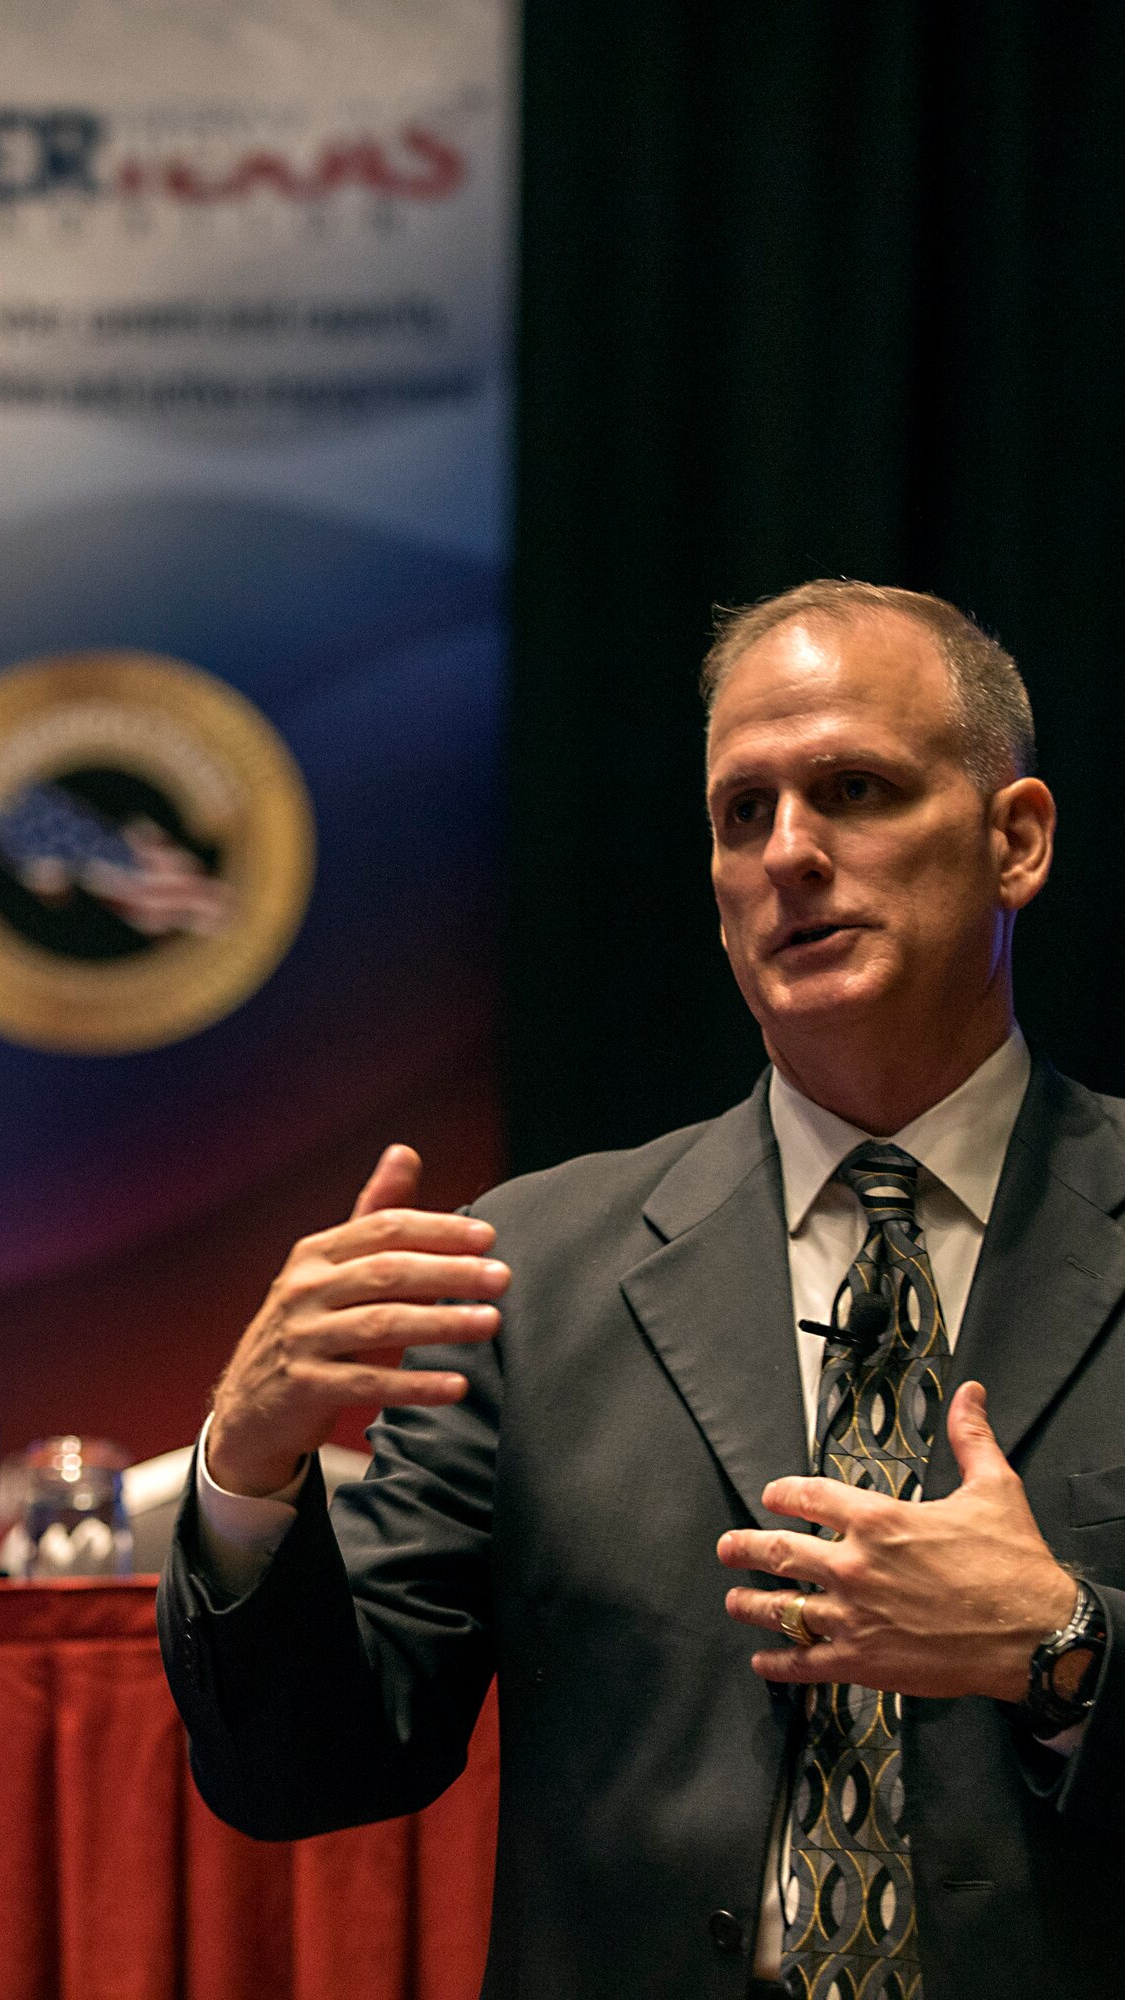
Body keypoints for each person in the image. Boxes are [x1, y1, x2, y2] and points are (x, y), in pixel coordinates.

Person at [158, 581, 1125, 2000]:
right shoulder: (529, 1272)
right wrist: (249, 1463)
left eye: (853, 789)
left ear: (1014, 840)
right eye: (743, 813)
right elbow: (307, 1771)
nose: (789, 852)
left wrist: (1062, 1651)